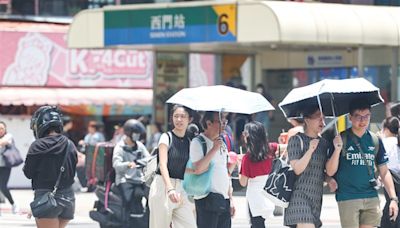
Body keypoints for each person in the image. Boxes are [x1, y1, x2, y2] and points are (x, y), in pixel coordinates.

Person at [326, 98, 399, 228]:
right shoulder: (341, 139)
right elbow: (330, 171)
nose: (363, 120)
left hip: (371, 196)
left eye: (366, 116)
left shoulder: (375, 140)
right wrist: (337, 150)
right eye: (358, 117)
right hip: (348, 197)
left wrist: (393, 199)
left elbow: (384, 171)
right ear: (350, 117)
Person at [23, 106, 77, 228]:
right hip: (68, 198)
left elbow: (28, 173)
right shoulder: (70, 144)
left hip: (45, 198)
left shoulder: (37, 145)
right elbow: (72, 171)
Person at [284, 106, 337, 228]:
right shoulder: (296, 140)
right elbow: (297, 168)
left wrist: (329, 179)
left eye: (323, 118)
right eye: (318, 117)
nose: (322, 122)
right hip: (298, 197)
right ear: (307, 120)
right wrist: (310, 150)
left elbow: (321, 171)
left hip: (315, 198)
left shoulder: (324, 144)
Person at [148, 105, 196, 228]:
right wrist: (170, 189)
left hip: (181, 188)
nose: (179, 119)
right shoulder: (166, 137)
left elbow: (182, 166)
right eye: (176, 116)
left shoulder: (189, 141)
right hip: (162, 187)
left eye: (183, 117)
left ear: (190, 119)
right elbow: (163, 164)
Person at [189, 111, 235, 228]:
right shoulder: (198, 142)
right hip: (206, 199)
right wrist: (214, 148)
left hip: (223, 199)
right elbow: (197, 169)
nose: (224, 124)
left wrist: (231, 199)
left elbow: (224, 172)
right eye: (220, 121)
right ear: (208, 123)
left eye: (225, 121)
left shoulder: (223, 143)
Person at [112, 119, 150, 227]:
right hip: (124, 179)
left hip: (139, 179)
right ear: (129, 133)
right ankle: (125, 223)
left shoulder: (139, 146)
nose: (138, 136)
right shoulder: (119, 147)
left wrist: (143, 162)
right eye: (136, 133)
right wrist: (128, 164)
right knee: (128, 201)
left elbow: (148, 158)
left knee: (151, 196)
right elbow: (116, 165)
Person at [238, 121, 274, 228]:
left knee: (256, 224)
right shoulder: (271, 149)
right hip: (269, 191)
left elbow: (243, 182)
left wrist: (239, 164)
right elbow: (283, 148)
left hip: (254, 196)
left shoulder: (247, 158)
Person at [380, 116, 400, 227]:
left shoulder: (383, 142)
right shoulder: (397, 141)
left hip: (389, 179)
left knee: (391, 203)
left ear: (386, 129)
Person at [0, 121, 19, 214]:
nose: (0, 130)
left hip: (5, 166)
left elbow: (2, 142)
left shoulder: (9, 136)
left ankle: (13, 204)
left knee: (3, 186)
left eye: (2, 128)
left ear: (5, 129)